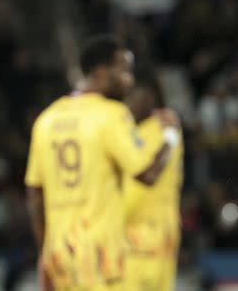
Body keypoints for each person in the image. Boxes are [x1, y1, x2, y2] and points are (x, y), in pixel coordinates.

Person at [25, 36, 179, 290]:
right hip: (99, 258)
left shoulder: (47, 119)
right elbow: (147, 174)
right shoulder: (111, 116)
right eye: (124, 68)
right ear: (102, 71)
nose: (129, 80)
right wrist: (170, 137)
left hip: (59, 254)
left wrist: (45, 252)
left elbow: (34, 196)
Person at [123, 77, 184, 291]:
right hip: (164, 238)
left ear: (149, 98)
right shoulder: (168, 127)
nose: (126, 104)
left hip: (137, 242)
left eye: (131, 97)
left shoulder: (144, 133)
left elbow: (139, 185)